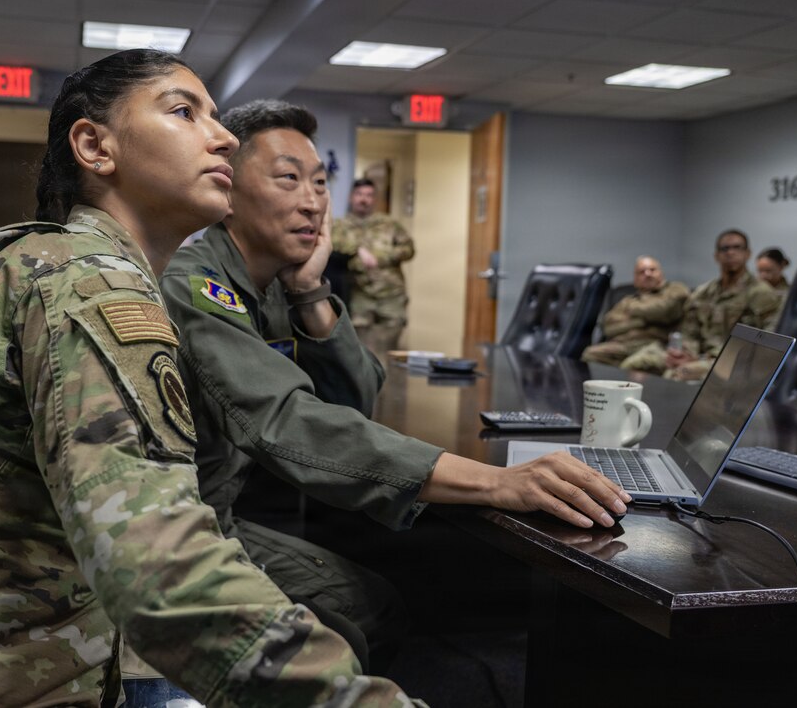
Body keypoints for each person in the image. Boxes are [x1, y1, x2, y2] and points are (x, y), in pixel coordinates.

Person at [0, 49, 423, 707]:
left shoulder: (71, 262)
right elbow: (158, 567)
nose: (225, 136)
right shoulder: (90, 281)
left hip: (31, 633)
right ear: (94, 147)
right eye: (184, 111)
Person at [159, 99, 631, 672]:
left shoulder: (276, 286)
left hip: (224, 515)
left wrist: (311, 291)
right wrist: (492, 481)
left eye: (318, 182)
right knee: (360, 616)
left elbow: (355, 400)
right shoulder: (196, 287)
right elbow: (284, 420)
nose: (313, 201)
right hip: (178, 531)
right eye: (288, 179)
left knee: (377, 602)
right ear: (227, 192)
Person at [622, 229, 781, 381]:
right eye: (725, 248)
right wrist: (684, 355)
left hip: (733, 362)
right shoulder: (702, 293)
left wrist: (692, 362)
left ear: (747, 254)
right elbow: (689, 332)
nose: (731, 252)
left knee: (677, 374)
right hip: (697, 356)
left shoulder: (761, 293)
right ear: (716, 256)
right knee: (634, 363)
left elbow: (768, 341)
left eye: (737, 247)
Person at [331, 178, 414, 357]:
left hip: (391, 294)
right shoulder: (340, 226)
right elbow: (333, 244)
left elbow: (409, 249)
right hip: (359, 294)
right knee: (360, 349)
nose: (364, 199)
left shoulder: (389, 224)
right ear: (351, 198)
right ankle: (366, 385)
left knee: (389, 349)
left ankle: (391, 384)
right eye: (360, 194)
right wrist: (357, 250)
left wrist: (383, 256)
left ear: (374, 199)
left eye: (369, 195)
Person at [580, 255, 690, 368]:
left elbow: (664, 311)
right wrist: (644, 320)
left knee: (632, 365)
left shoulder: (675, 289)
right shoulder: (628, 300)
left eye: (652, 270)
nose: (647, 274)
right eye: (642, 272)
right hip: (623, 345)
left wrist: (632, 313)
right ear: (635, 279)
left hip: (655, 344)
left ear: (661, 273)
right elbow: (608, 326)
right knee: (590, 353)